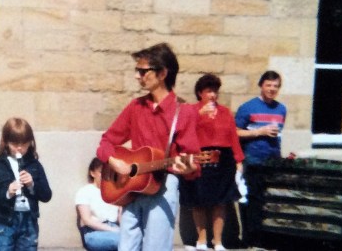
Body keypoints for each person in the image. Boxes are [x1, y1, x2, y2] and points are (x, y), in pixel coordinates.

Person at [96, 42, 201, 250]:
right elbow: (106, 142)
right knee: (126, 247)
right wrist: (114, 163)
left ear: (162, 73)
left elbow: (193, 162)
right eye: (137, 70)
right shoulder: (136, 107)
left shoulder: (185, 111)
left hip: (162, 185)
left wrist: (189, 168)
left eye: (143, 71)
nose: (137, 76)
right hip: (132, 187)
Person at [179, 73, 245, 251]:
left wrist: (239, 161)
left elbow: (233, 137)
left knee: (220, 202)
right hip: (200, 157)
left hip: (223, 159)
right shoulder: (191, 110)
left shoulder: (225, 112)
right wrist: (199, 115)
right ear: (200, 93)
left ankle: (218, 241)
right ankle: (201, 240)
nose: (213, 95)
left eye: (215, 91)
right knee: (198, 200)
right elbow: (183, 132)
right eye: (209, 91)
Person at [0, 117, 53, 251]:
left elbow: (47, 195)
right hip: (4, 222)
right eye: (15, 143)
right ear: (6, 142)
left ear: (30, 142)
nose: (19, 148)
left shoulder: (34, 165)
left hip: (28, 222)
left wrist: (32, 185)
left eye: (24, 143)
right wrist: (7, 192)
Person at [234, 70, 287, 249]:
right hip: (252, 160)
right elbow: (234, 132)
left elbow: (279, 134)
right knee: (252, 200)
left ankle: (265, 238)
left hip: (273, 162)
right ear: (261, 86)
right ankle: (250, 239)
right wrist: (259, 132)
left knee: (270, 201)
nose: (272, 89)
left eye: (276, 86)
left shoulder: (281, 109)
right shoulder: (247, 107)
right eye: (268, 85)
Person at [75, 157, 121, 251]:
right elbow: (87, 220)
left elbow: (120, 218)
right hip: (94, 232)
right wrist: (112, 230)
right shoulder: (85, 191)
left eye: (108, 172)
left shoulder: (115, 191)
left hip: (116, 229)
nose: (106, 176)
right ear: (92, 173)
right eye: (101, 172)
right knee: (123, 241)